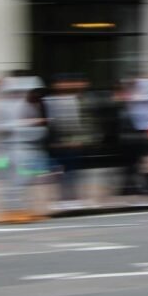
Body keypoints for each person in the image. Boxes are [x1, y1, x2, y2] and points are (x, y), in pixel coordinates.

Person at [0, 73, 49, 223]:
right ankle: (10, 211)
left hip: (25, 148)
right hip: (6, 149)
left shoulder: (24, 104)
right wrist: (28, 123)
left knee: (24, 181)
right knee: (12, 182)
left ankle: (22, 209)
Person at [43, 73, 98, 208]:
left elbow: (87, 123)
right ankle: (64, 198)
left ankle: (71, 198)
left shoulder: (82, 99)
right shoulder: (50, 100)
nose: (65, 85)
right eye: (60, 82)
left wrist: (82, 140)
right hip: (57, 142)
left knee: (72, 171)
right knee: (59, 171)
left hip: (74, 142)